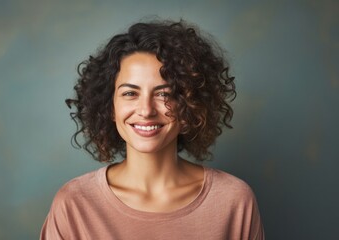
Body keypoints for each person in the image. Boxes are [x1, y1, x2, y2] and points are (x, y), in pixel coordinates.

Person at [40, 20, 265, 240]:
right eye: (130, 93)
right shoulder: (75, 203)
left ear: (190, 106)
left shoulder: (233, 201)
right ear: (110, 107)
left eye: (164, 94)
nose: (146, 110)